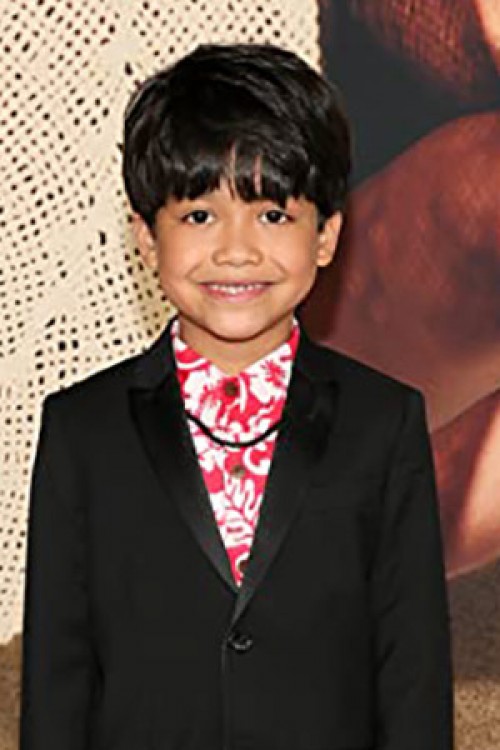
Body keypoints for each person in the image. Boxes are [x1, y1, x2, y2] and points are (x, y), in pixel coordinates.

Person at [19, 43, 454, 750]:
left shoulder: (385, 420)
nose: (236, 250)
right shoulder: (81, 428)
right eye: (199, 216)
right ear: (145, 236)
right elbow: (57, 676)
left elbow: (412, 669)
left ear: (327, 235)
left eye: (272, 215)